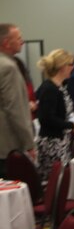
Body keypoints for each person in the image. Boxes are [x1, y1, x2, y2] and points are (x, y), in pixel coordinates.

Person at [34, 49, 74, 179]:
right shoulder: (50, 89)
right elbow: (46, 118)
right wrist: (72, 125)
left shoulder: (59, 87)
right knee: (56, 180)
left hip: (60, 140)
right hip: (52, 143)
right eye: (70, 64)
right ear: (61, 67)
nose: (72, 68)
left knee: (60, 179)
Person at [0, 23, 35, 177]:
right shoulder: (8, 67)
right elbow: (14, 108)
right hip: (8, 145)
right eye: (19, 38)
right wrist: (29, 143)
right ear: (6, 43)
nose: (22, 41)